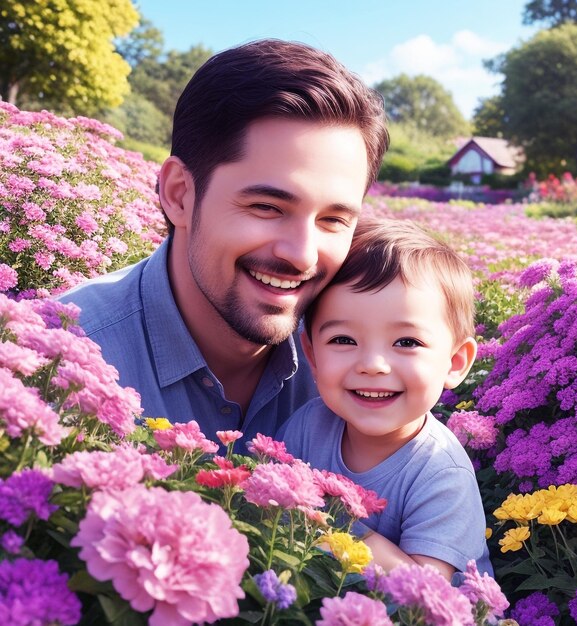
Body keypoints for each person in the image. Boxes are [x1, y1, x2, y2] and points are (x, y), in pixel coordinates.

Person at [58, 39, 389, 451]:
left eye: (333, 220)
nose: (303, 254)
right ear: (179, 194)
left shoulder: (368, 361)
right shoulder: (57, 358)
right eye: (267, 207)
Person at [278, 217, 492, 580]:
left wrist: (335, 531)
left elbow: (424, 598)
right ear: (312, 357)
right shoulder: (306, 427)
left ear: (455, 363)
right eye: (343, 340)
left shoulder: (441, 474)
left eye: (406, 342)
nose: (373, 365)